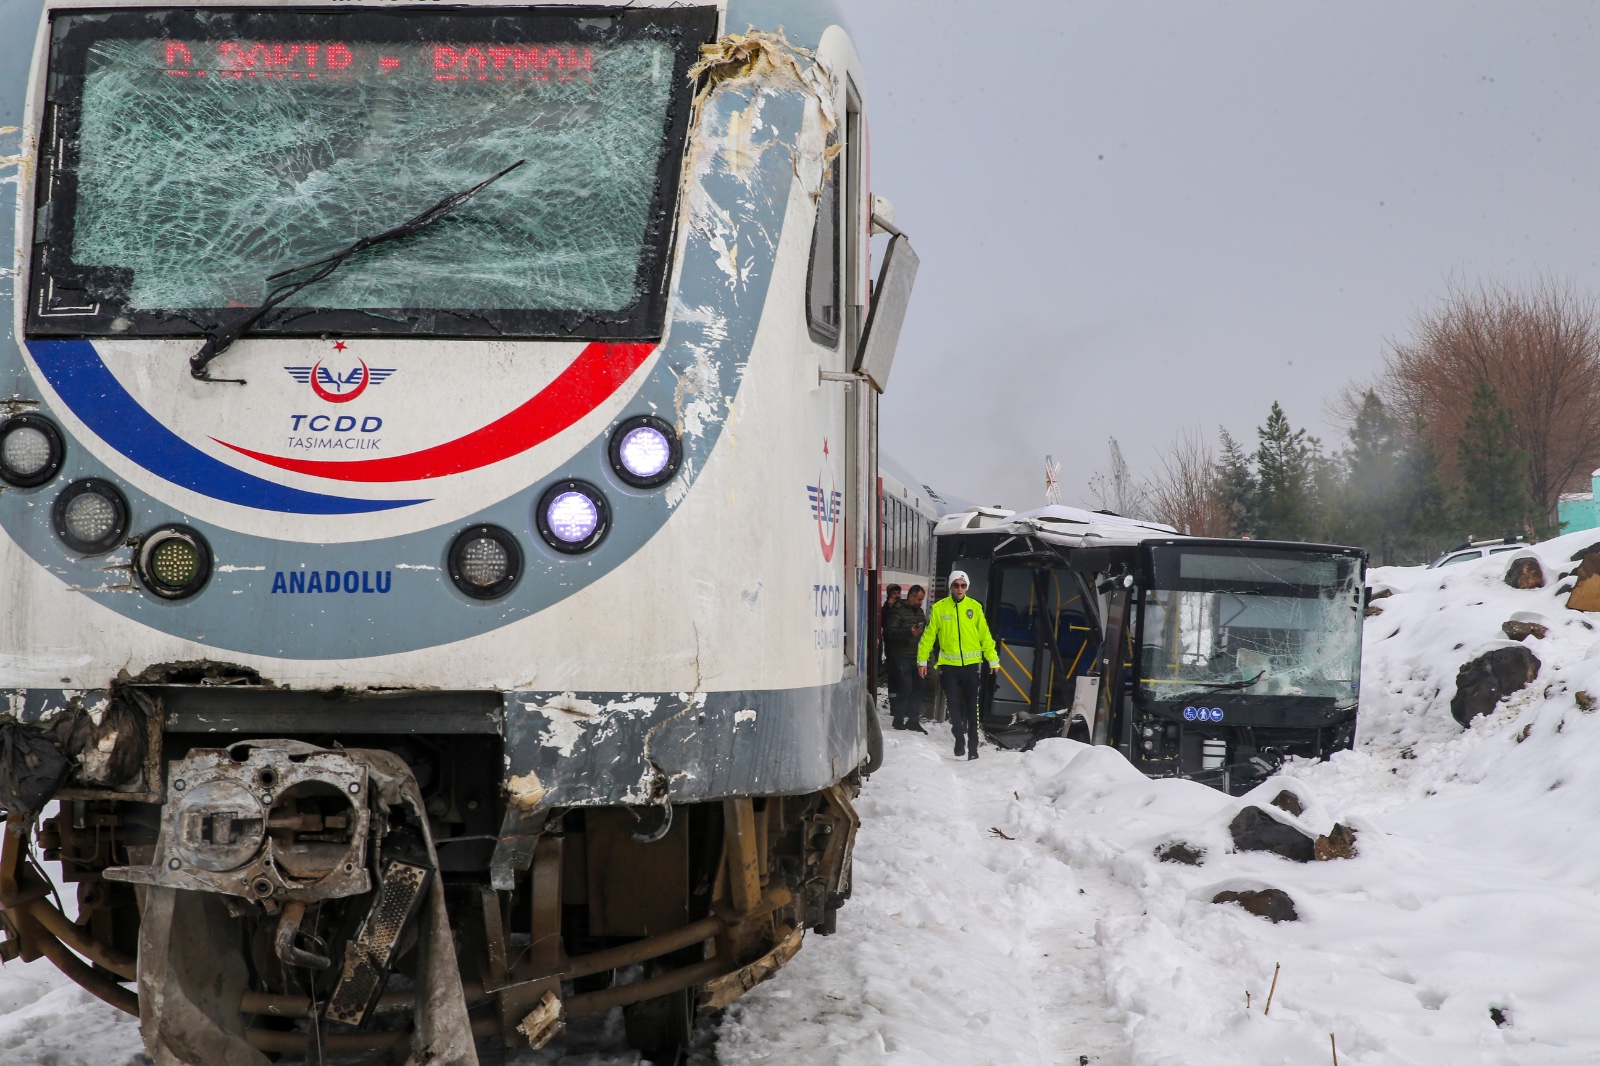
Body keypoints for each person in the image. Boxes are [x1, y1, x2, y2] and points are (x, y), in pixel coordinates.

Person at [917, 571, 998, 759]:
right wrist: (922, 661)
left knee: (971, 708)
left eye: (963, 585)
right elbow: (928, 637)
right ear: (951, 587)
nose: (959, 588)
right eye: (956, 585)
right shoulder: (940, 608)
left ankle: (973, 747)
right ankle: (959, 737)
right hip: (949, 668)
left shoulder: (975, 607)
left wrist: (992, 659)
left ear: (967, 587)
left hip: (970, 667)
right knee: (953, 706)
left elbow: (985, 636)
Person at [883, 584, 927, 732]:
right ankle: (898, 719)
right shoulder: (897, 611)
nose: (921, 602)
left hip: (916, 656)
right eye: (919, 599)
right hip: (900, 656)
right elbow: (889, 632)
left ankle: (913, 720)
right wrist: (908, 632)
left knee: (919, 687)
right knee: (905, 687)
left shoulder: (920, 612)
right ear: (912, 597)